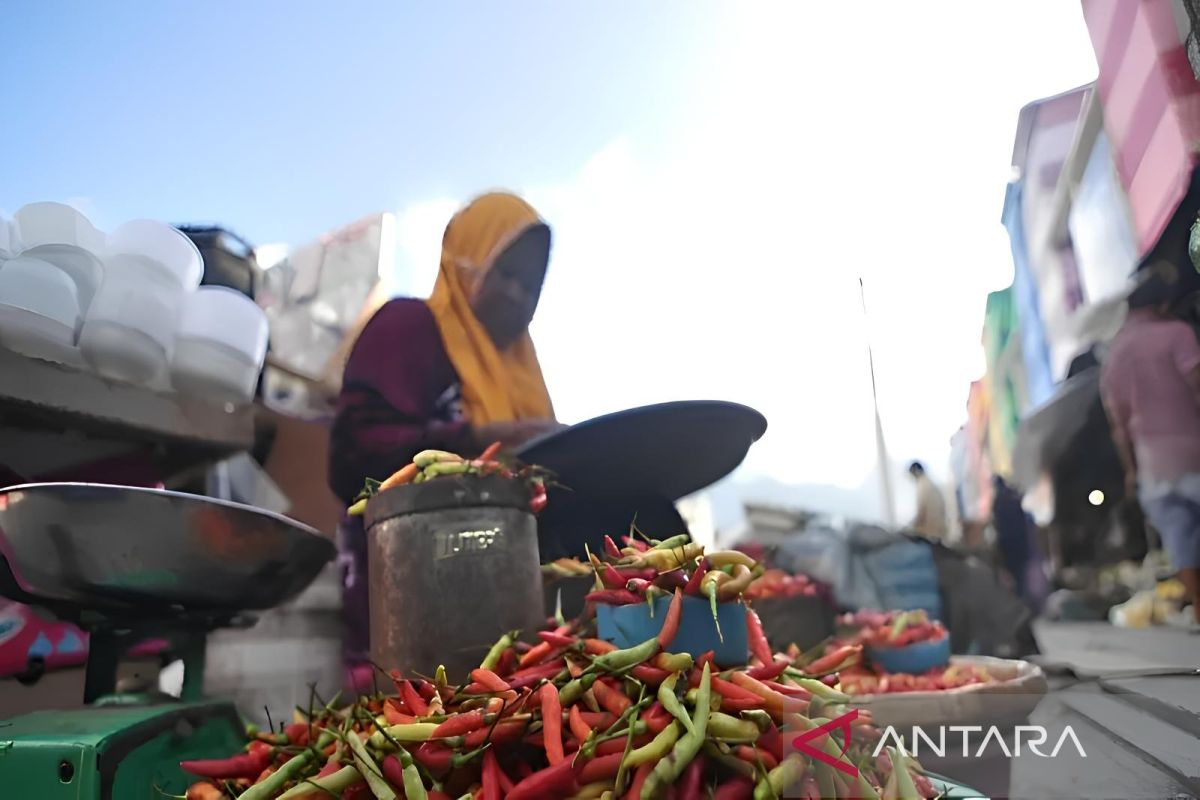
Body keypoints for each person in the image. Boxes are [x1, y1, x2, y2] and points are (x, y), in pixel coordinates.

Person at [328, 191, 565, 681]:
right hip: (405, 605)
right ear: (467, 261)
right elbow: (352, 451)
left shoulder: (524, 374)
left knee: (508, 721)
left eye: (532, 284)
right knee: (406, 731)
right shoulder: (410, 327)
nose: (519, 295)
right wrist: (481, 437)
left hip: (508, 621)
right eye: (506, 273)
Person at [1101, 262, 1200, 626]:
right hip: (1193, 448)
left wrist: (1132, 470)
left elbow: (1119, 425)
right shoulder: (1176, 334)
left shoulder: (1115, 357)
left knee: (1179, 536)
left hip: (1152, 464)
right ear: (1162, 303)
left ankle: (1199, 608)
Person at [908, 461, 948, 540]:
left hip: (931, 531)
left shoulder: (923, 485)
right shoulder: (929, 483)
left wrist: (913, 526)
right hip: (939, 528)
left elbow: (921, 510)